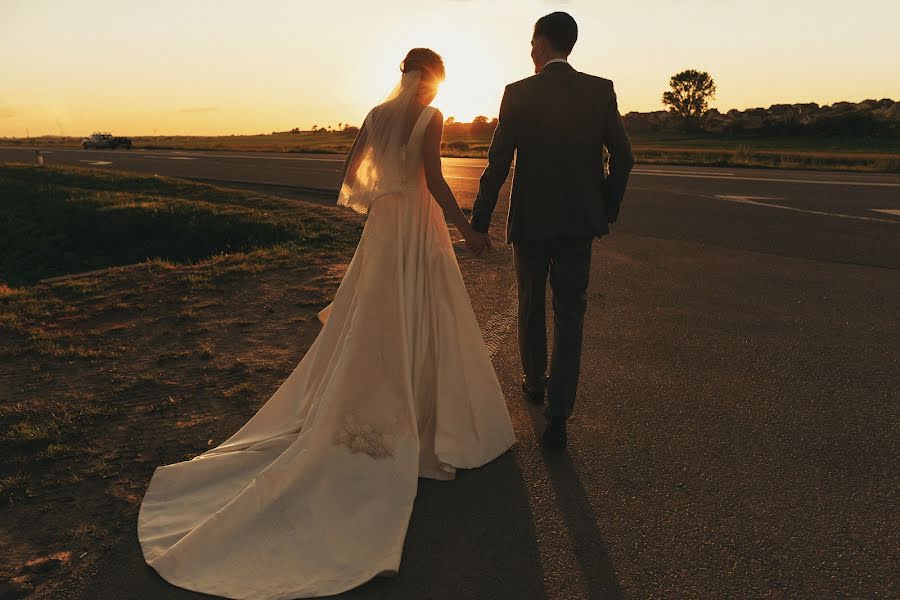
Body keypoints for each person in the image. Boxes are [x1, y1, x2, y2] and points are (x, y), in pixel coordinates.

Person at [137, 48, 516, 599]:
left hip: (384, 229)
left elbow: (351, 175)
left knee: (374, 319)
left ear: (402, 75)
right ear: (432, 79)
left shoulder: (374, 115)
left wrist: (386, 200)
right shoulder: (430, 117)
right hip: (416, 228)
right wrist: (467, 232)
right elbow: (434, 182)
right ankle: (425, 418)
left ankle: (383, 403)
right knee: (421, 314)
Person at [470, 11, 635, 449]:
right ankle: (559, 416)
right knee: (570, 314)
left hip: (532, 223)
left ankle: (534, 382)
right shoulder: (599, 91)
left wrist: (479, 221)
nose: (529, 51)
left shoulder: (519, 94)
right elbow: (624, 156)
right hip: (580, 223)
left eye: (530, 43)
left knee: (529, 304)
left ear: (541, 44)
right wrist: (605, 207)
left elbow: (498, 164)